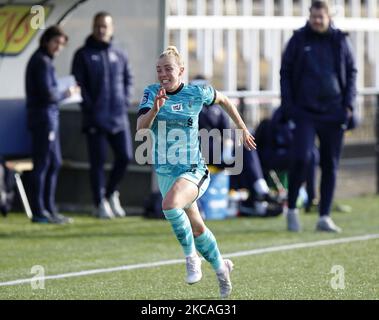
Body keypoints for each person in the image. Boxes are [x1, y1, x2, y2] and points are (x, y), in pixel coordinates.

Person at [136, 46, 256, 298]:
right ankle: (221, 267)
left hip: (193, 169)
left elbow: (223, 100)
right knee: (198, 228)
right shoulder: (151, 93)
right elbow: (140, 128)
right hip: (166, 172)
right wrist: (155, 109)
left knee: (169, 205)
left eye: (168, 69)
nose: (163, 74)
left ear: (181, 70)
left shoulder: (196, 92)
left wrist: (242, 128)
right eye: (159, 70)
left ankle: (192, 259)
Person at [280, 1, 357, 232]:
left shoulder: (340, 40)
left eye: (320, 17)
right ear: (309, 16)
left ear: (329, 17)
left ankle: (324, 216)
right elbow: (285, 73)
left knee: (330, 164)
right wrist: (288, 106)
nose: (317, 21)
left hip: (334, 112)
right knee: (302, 158)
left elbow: (352, 73)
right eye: (313, 16)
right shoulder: (298, 40)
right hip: (304, 112)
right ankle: (292, 208)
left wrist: (348, 106)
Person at [72, 12, 133, 219]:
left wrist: (124, 101)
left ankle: (110, 193)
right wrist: (90, 107)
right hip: (95, 118)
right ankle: (99, 203)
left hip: (118, 117)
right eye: (97, 26)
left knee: (125, 157)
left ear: (111, 28)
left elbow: (128, 79)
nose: (101, 30)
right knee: (97, 163)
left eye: (104, 26)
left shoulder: (120, 53)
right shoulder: (83, 54)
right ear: (93, 26)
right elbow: (78, 85)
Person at [25, 25, 78, 224]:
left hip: (49, 118)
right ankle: (40, 211)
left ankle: (49, 209)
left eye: (61, 44)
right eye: (56, 42)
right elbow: (48, 94)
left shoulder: (45, 61)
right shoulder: (41, 62)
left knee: (53, 162)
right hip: (43, 120)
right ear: (47, 40)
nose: (59, 47)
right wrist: (66, 94)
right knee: (43, 164)